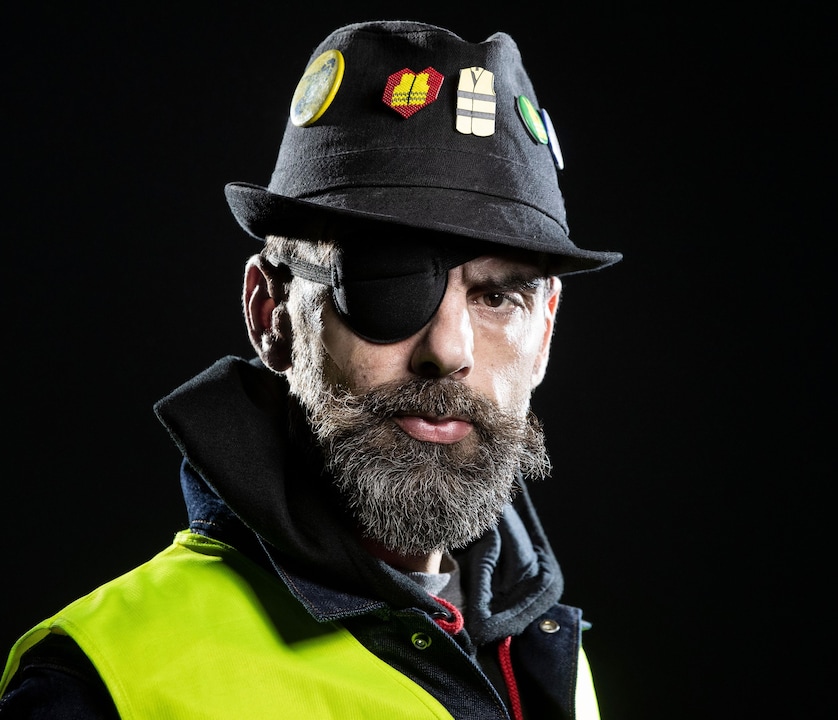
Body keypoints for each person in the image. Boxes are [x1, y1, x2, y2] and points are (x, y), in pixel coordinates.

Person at [0, 20, 621, 719]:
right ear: (270, 313)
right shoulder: (110, 687)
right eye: (384, 282)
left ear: (545, 332)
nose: (448, 350)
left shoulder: (543, 658)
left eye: (499, 296)